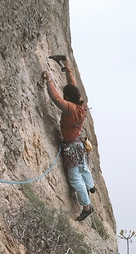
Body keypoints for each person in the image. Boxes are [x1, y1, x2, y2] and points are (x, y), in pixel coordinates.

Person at [42, 57, 96, 221]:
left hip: (72, 148)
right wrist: (67, 65)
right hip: (79, 144)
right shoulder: (81, 104)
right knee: (83, 166)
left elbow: (55, 98)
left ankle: (87, 206)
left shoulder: (70, 109)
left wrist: (49, 80)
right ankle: (91, 186)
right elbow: (72, 85)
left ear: (68, 98)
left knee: (74, 178)